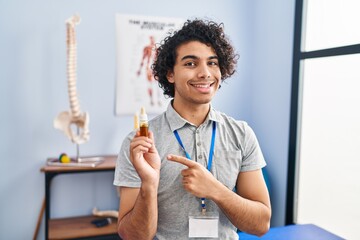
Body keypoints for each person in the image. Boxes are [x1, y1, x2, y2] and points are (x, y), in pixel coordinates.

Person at [113, 19, 271, 240]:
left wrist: (215, 190)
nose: (205, 73)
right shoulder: (140, 143)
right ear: (170, 74)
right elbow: (132, 236)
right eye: (190, 63)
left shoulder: (241, 134)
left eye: (213, 63)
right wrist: (149, 184)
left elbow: (261, 224)